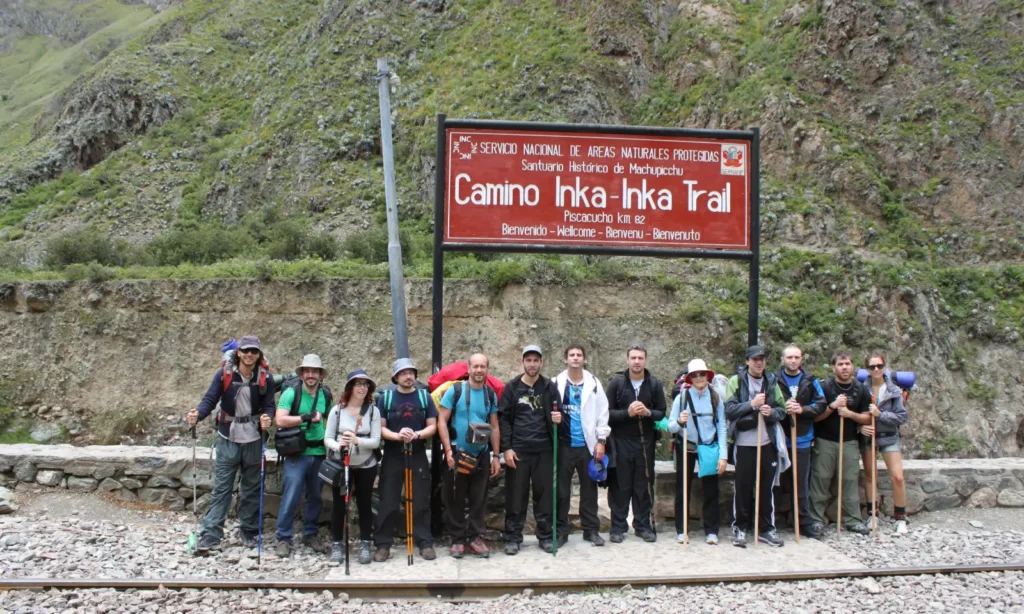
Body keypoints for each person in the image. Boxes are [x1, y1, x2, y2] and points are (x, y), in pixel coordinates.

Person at [186, 335, 275, 553]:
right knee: (222, 488)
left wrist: (267, 417)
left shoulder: (266, 378)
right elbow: (210, 399)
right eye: (246, 351)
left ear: (258, 354)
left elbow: (269, 405)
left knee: (252, 488)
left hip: (253, 439)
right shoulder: (224, 374)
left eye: (253, 351)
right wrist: (198, 414)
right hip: (228, 438)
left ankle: (249, 532)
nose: (249, 355)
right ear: (239, 352)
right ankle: (211, 533)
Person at [372, 358, 439, 562]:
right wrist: (397, 435)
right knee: (388, 500)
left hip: (417, 451)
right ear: (396, 377)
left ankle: (424, 542)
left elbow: (433, 426)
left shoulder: (424, 397)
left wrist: (416, 434)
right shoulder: (387, 398)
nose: (408, 376)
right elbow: (381, 427)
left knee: (420, 499)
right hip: (393, 453)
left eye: (411, 373)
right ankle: (383, 544)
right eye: (403, 373)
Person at [438, 353, 502, 558]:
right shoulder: (455, 391)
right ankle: (457, 539)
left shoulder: (489, 395)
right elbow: (441, 421)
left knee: (479, 498)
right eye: (475, 366)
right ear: (469, 368)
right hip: (457, 453)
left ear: (487, 368)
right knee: (454, 497)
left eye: (483, 366)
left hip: (481, 454)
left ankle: (475, 537)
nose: (479, 370)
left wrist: (495, 456)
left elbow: (494, 426)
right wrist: (448, 450)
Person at [725, 345, 789, 548]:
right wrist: (752, 404)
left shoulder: (771, 381)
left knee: (767, 488)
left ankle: (766, 529)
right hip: (744, 444)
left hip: (766, 442)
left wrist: (771, 412)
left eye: (762, 359)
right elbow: (729, 410)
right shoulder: (736, 381)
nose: (759, 362)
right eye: (755, 359)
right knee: (743, 488)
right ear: (747, 361)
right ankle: (741, 528)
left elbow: (782, 409)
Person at [499, 345, 560, 555]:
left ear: (541, 363)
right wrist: (506, 448)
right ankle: (513, 537)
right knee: (516, 496)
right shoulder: (512, 388)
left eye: (536, 360)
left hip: (544, 450)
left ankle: (544, 536)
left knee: (544, 497)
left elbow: (558, 414)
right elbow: (503, 419)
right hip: (519, 451)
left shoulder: (549, 387)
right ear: (522, 363)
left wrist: (559, 419)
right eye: (528, 360)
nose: (532, 364)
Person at [606, 343, 667, 543]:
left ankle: (642, 525)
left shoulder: (654, 384)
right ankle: (618, 526)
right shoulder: (617, 383)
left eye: (640, 358)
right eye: (633, 358)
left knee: (643, 484)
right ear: (627, 360)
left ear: (646, 360)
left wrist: (647, 412)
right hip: (621, 441)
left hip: (645, 442)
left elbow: (661, 412)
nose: (637, 362)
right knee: (620, 485)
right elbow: (606, 414)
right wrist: (627, 413)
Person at [809, 350, 873, 536]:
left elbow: (867, 418)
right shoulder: (825, 387)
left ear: (853, 366)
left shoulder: (861, 389)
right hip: (825, 441)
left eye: (847, 364)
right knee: (820, 480)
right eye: (840, 364)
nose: (844, 367)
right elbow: (815, 417)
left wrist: (849, 414)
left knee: (850, 481)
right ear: (834, 367)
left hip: (850, 441)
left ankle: (853, 520)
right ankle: (816, 519)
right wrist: (833, 407)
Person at [554, 343, 610, 549]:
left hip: (588, 445)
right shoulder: (556, 383)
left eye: (579, 355)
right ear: (565, 359)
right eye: (572, 355)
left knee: (589, 490)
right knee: (561, 491)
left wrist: (601, 441)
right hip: (563, 445)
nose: (575, 358)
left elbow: (603, 414)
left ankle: (591, 530)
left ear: (584, 359)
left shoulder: (594, 383)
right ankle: (560, 531)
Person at [274, 354, 331, 557]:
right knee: (291, 495)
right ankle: (283, 538)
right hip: (296, 453)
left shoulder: (325, 395)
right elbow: (279, 420)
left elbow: (330, 421)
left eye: (314, 371)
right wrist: (305, 418)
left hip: (319, 452)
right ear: (302, 373)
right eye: (307, 371)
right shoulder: (291, 392)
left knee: (315, 496)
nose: (310, 375)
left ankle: (310, 534)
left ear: (319, 375)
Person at [324, 369, 381, 565]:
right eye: (358, 384)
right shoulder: (337, 411)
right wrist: (339, 446)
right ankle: (338, 544)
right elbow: (328, 438)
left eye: (365, 385)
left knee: (365, 504)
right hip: (342, 465)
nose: (362, 388)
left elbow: (375, 441)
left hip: (366, 465)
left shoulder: (373, 411)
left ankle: (365, 543)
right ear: (350, 387)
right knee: (339, 506)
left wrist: (357, 441)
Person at [668, 358, 727, 545]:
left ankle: (711, 530)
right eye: (695, 375)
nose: (699, 378)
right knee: (682, 488)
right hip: (686, 446)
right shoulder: (682, 398)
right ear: (690, 378)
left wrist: (723, 455)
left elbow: (722, 427)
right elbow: (670, 427)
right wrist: (679, 422)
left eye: (702, 374)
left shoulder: (716, 397)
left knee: (711, 489)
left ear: (708, 376)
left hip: (709, 447)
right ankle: (681, 529)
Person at [776, 345, 826, 538]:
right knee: (777, 484)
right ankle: (772, 523)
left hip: (802, 439)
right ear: (783, 359)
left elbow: (821, 404)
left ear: (801, 359)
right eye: (789, 357)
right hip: (779, 440)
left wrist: (802, 410)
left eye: (797, 357)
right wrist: (783, 408)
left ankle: (803, 522)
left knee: (801, 485)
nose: (793, 360)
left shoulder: (810, 380)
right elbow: (769, 405)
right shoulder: (773, 380)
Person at [859, 351, 909, 535]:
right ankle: (873, 514)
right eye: (872, 367)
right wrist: (859, 428)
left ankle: (901, 518)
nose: (876, 369)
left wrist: (881, 415)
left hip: (888, 435)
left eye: (879, 366)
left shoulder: (894, 390)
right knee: (870, 476)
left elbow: (901, 417)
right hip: (869, 435)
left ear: (884, 366)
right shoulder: (861, 389)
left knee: (897, 476)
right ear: (867, 369)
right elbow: (856, 415)